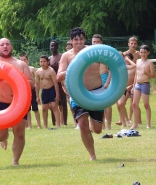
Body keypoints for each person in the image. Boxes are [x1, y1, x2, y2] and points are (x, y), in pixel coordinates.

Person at [57, 27, 103, 161]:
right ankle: (92, 155)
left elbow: (110, 63)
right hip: (77, 93)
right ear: (71, 41)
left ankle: (93, 126)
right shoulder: (67, 56)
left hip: (96, 92)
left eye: (81, 39)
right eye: (75, 39)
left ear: (85, 39)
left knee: (98, 129)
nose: (79, 42)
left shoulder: (94, 52)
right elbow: (59, 76)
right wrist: (75, 66)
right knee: (82, 124)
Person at [0, 38, 34, 166]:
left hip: (19, 103)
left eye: (7, 44)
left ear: (11, 47)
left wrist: (20, 80)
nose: (5, 46)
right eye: (2, 44)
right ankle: (4, 138)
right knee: (0, 136)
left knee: (19, 132)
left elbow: (31, 83)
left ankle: (15, 161)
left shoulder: (21, 64)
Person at [91, 34, 112, 130]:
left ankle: (108, 125)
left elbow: (112, 69)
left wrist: (107, 82)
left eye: (97, 41)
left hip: (104, 77)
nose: (95, 43)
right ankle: (101, 124)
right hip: (94, 79)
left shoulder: (106, 54)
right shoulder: (89, 54)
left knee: (106, 103)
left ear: (101, 42)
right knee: (96, 103)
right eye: (94, 42)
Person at [132, 45, 155, 129]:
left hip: (145, 84)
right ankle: (135, 124)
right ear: (139, 53)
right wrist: (133, 86)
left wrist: (147, 74)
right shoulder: (137, 61)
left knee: (146, 104)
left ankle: (148, 124)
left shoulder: (149, 62)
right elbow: (136, 74)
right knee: (134, 104)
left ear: (148, 53)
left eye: (145, 52)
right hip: (137, 84)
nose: (143, 54)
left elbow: (153, 76)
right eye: (141, 52)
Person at [36, 55, 60, 129]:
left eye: (44, 61)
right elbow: (37, 84)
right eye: (41, 62)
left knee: (54, 107)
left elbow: (56, 84)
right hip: (44, 91)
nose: (42, 63)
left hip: (52, 89)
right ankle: (45, 126)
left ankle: (58, 125)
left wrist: (57, 95)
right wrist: (37, 96)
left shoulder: (51, 71)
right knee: (44, 109)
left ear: (48, 62)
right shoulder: (38, 71)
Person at [19, 53, 41, 129]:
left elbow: (37, 79)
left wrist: (38, 88)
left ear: (27, 60)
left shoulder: (32, 68)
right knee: (27, 109)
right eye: (21, 60)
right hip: (24, 91)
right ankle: (29, 125)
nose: (23, 61)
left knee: (35, 108)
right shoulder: (19, 70)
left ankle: (39, 125)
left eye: (25, 59)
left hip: (32, 90)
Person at [122, 37, 142, 124]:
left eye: (135, 43)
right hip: (126, 82)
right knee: (122, 103)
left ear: (137, 44)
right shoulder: (124, 54)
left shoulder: (139, 54)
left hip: (136, 81)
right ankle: (123, 119)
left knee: (134, 103)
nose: (133, 45)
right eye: (131, 43)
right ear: (128, 44)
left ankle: (133, 119)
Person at [49, 40, 67, 126]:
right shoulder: (49, 59)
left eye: (54, 46)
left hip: (61, 81)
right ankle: (54, 122)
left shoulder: (61, 56)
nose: (53, 47)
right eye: (51, 46)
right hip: (52, 83)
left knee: (63, 102)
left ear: (57, 47)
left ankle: (65, 122)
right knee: (53, 102)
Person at [116, 52, 136, 127]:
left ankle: (127, 120)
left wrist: (127, 59)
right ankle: (123, 122)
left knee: (121, 104)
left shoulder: (125, 66)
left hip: (126, 89)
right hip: (119, 88)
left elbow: (134, 66)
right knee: (119, 105)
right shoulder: (116, 66)